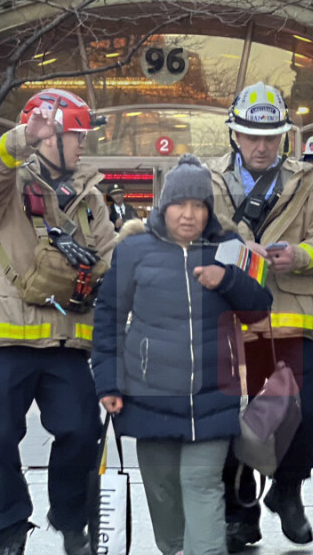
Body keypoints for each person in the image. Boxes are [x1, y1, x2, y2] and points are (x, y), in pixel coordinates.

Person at [0, 89, 115, 555]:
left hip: (65, 339)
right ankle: (7, 531)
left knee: (81, 431)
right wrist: (22, 137)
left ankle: (71, 520)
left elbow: (108, 254)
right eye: (76, 136)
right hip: (2, 337)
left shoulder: (90, 195)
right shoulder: (8, 184)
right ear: (50, 137)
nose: (83, 145)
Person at [93, 154, 273, 555]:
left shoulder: (229, 247)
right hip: (148, 395)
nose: (189, 214)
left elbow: (260, 308)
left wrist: (227, 279)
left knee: (202, 483)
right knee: (162, 489)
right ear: (164, 206)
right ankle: (174, 548)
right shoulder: (133, 250)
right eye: (179, 204)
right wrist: (108, 383)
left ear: (209, 209)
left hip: (214, 396)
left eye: (198, 205)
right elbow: (108, 321)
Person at [205, 81, 313, 552]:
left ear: (283, 136)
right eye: (251, 136)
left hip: (291, 316)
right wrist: (238, 252)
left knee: (306, 411)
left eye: (270, 137)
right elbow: (191, 235)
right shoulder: (209, 180)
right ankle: (239, 512)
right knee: (230, 416)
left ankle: (287, 489)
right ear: (234, 135)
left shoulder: (307, 182)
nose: (261, 146)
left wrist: (298, 256)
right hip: (230, 317)